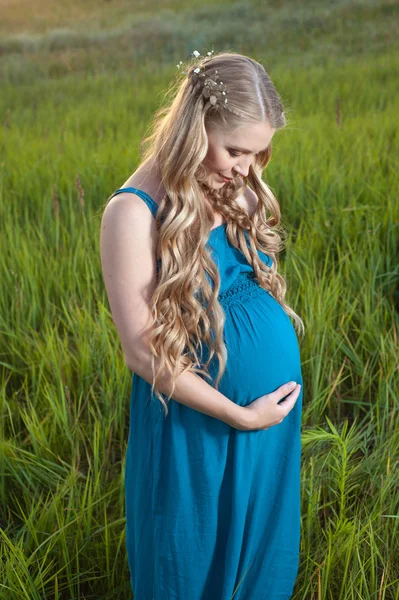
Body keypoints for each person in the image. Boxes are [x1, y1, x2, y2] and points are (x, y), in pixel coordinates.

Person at [100, 50, 304, 600]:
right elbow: (142, 354)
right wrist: (239, 413)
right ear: (196, 127)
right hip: (196, 422)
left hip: (265, 421)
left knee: (259, 559)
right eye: (235, 149)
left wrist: (258, 411)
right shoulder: (132, 213)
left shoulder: (230, 184)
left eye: (259, 152)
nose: (247, 167)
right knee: (188, 563)